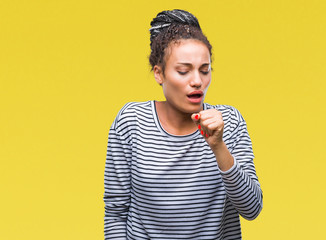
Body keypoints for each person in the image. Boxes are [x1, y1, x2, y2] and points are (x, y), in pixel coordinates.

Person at [103, 9, 263, 239]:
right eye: (183, 71)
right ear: (159, 74)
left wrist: (218, 147)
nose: (197, 81)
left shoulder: (230, 122)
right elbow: (116, 213)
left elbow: (252, 209)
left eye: (204, 70)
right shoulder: (131, 122)